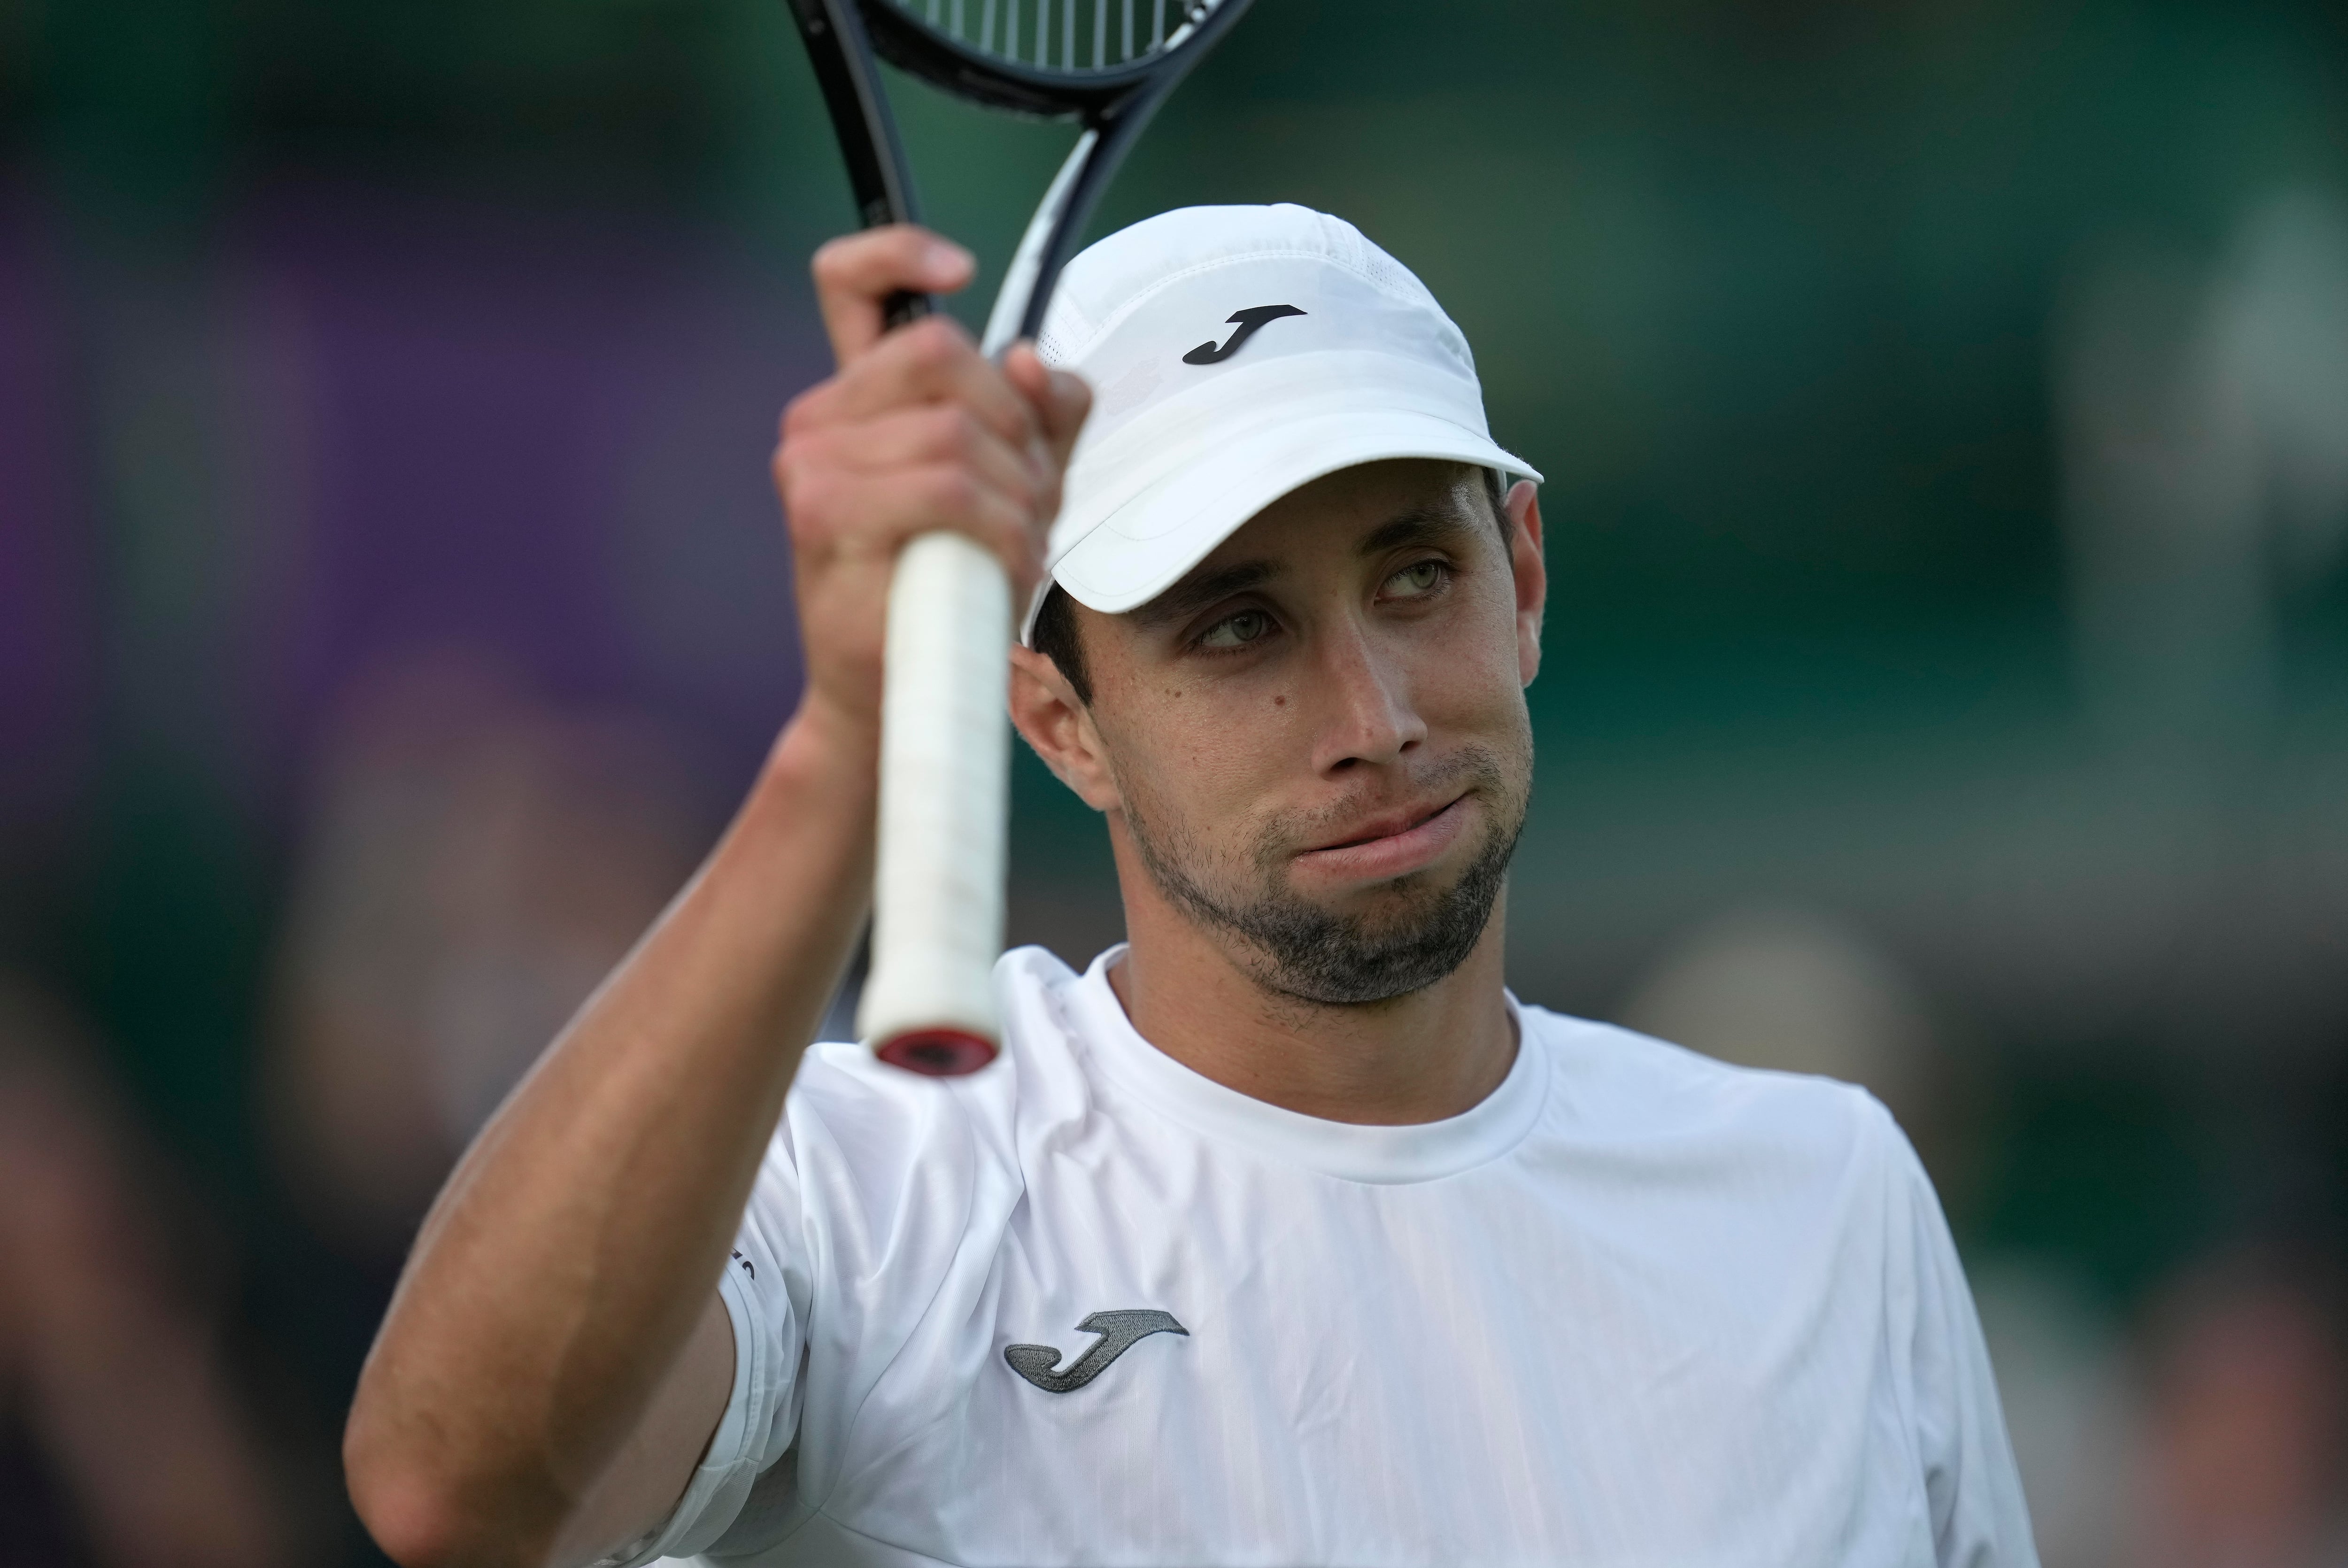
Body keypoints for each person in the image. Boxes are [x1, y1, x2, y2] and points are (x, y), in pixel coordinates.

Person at [344, 204, 2037, 1568]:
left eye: (1417, 574)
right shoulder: (863, 1190)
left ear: (1522, 577)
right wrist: (850, 739)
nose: (1371, 717)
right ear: (1056, 719)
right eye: (1236, 628)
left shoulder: (1831, 1198)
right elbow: (458, 1496)